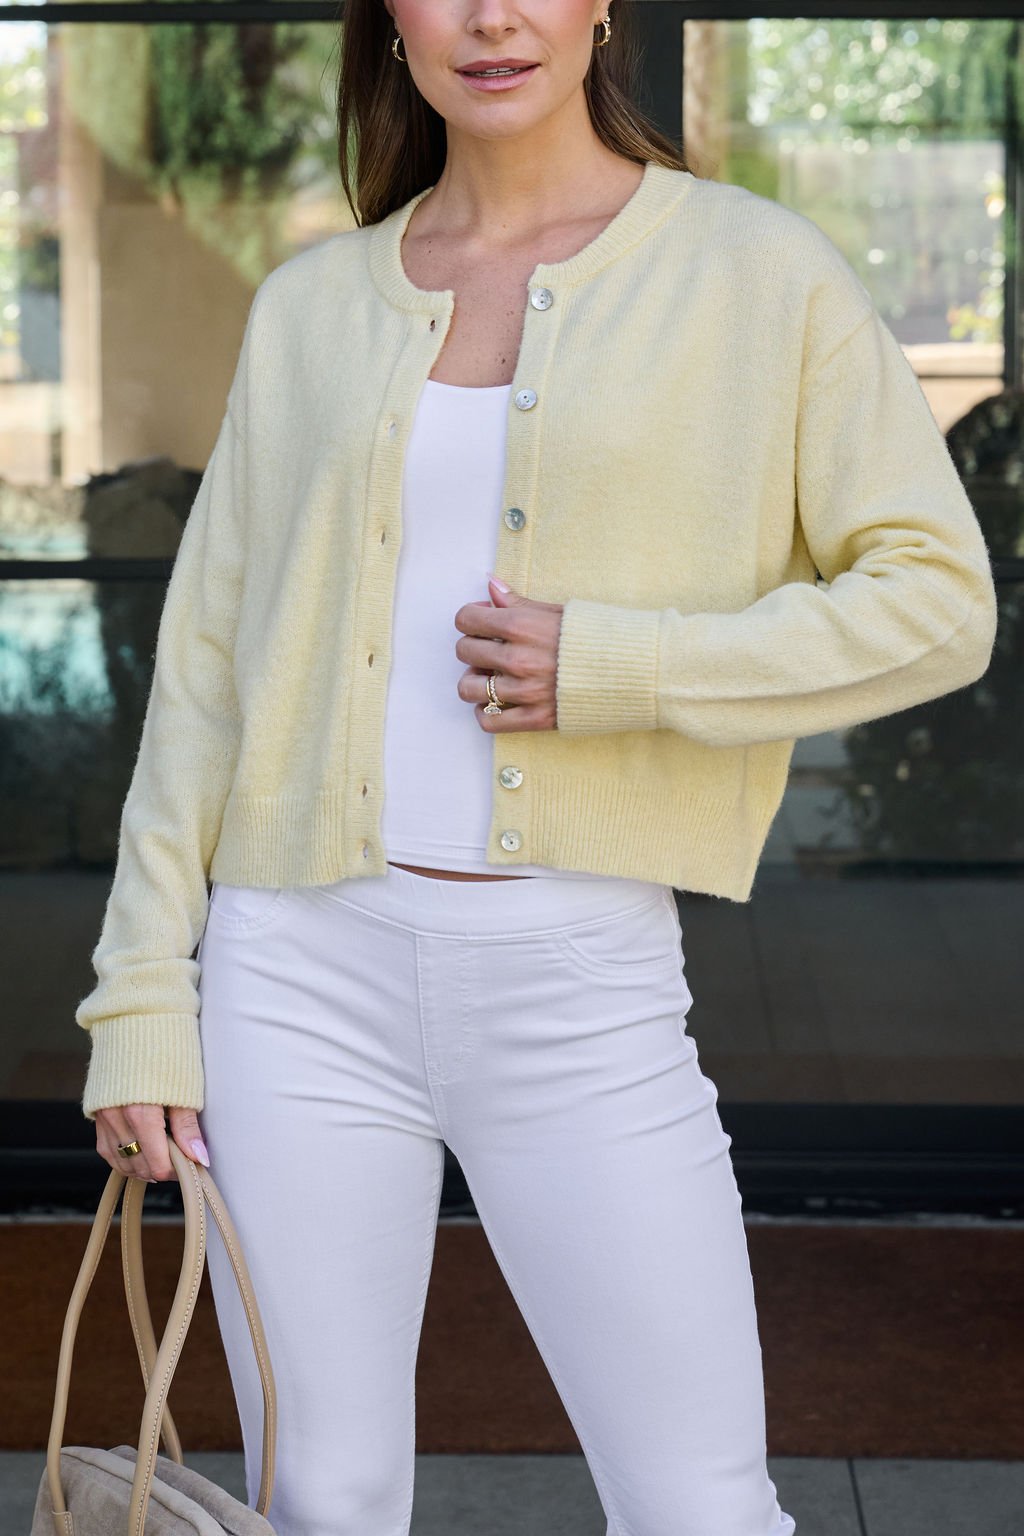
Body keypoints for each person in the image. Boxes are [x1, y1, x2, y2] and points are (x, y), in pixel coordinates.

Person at [74, 2, 998, 1532]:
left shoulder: (757, 276)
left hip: (580, 980)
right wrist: (138, 1001)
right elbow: (204, 684)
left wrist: (628, 666)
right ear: (390, 18)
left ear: (598, 9)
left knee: (701, 1505)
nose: (492, 16)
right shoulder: (309, 307)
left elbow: (938, 601)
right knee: (321, 1499)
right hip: (291, 974)